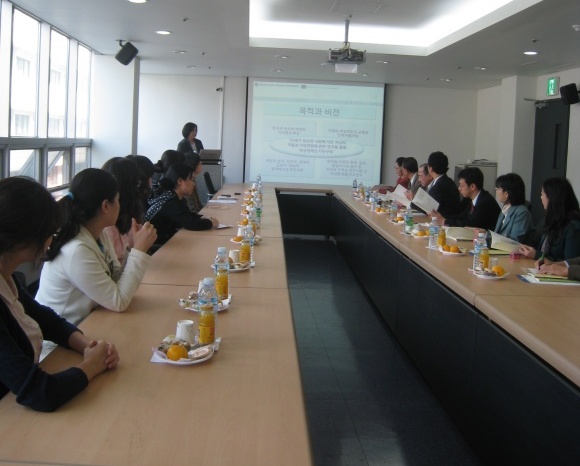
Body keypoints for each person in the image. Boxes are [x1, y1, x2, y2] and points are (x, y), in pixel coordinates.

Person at [0, 177, 119, 412]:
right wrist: (91, 366)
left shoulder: (6, 275)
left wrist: (87, 346)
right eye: (50, 232)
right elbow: (40, 392)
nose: (52, 238)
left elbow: (46, 319)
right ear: (25, 238)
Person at [36, 168, 158, 326]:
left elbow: (115, 280)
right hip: (61, 335)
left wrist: (132, 249)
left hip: (87, 322)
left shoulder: (99, 234)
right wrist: (139, 252)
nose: (120, 205)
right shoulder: (76, 250)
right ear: (106, 206)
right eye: (117, 199)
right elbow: (118, 301)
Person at [145, 162, 218, 246]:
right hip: (156, 246)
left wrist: (203, 218)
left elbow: (187, 215)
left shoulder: (176, 198)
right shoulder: (170, 202)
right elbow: (191, 223)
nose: (193, 184)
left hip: (166, 240)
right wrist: (211, 223)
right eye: (191, 179)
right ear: (180, 181)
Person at [519, 177, 580, 264]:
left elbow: (570, 264)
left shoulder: (573, 227)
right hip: (539, 268)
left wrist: (537, 255)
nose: (541, 197)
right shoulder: (551, 218)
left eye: (542, 194)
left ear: (552, 197)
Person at [101, 157, 145, 262]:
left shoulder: (127, 213)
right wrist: (138, 248)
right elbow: (116, 268)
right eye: (137, 183)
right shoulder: (107, 225)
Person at [432, 167, 500, 231]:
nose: (459, 189)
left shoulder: (486, 202)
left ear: (472, 186)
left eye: (461, 185)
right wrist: (442, 217)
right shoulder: (471, 199)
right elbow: (462, 216)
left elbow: (470, 225)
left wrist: (444, 221)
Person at [492, 173, 533, 243]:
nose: (496, 191)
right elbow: (496, 235)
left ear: (506, 194)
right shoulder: (505, 209)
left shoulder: (522, 213)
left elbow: (514, 241)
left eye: (498, 188)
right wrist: (486, 235)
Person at [426, 151, 462, 218]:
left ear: (430, 169)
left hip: (446, 221)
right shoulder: (448, 181)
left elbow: (429, 207)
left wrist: (413, 201)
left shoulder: (439, 186)